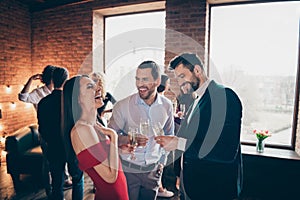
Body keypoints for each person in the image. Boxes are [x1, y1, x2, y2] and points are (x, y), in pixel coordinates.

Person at [155, 53, 243, 200]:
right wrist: (180, 174)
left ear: (197, 70)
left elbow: (225, 150)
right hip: (189, 184)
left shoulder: (224, 96)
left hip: (212, 188)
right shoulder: (196, 100)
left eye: (183, 76)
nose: (180, 82)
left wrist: (178, 143)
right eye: (178, 78)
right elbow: (189, 137)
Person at [108, 60, 175, 200]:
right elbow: (109, 137)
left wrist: (161, 163)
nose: (139, 84)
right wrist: (128, 139)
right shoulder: (122, 106)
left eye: (145, 79)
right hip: (128, 170)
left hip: (153, 171)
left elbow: (169, 137)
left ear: (157, 81)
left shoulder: (167, 106)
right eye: (137, 79)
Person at [62, 75, 129, 200]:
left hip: (118, 192)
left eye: (95, 85)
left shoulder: (94, 125)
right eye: (89, 87)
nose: (98, 88)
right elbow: (110, 176)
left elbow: (103, 158)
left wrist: (119, 150)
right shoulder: (82, 130)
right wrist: (113, 136)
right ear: (77, 99)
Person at [37, 67, 83, 200]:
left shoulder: (43, 102)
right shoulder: (71, 102)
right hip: (72, 147)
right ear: (66, 80)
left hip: (53, 147)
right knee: (78, 181)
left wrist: (50, 141)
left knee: (56, 184)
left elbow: (42, 129)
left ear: (52, 80)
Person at [156, 74, 174, 198]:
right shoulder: (165, 103)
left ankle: (159, 187)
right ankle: (160, 188)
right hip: (161, 139)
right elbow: (169, 128)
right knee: (160, 164)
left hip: (157, 139)